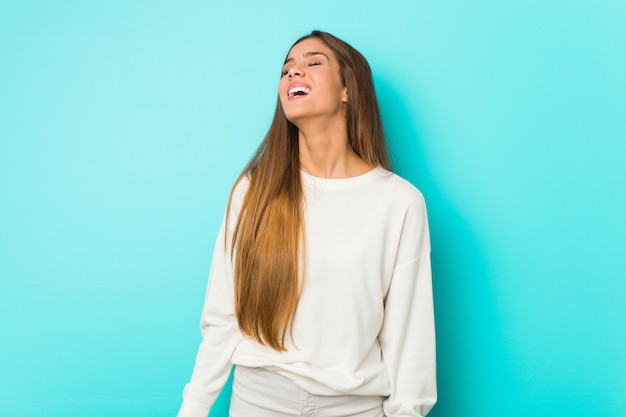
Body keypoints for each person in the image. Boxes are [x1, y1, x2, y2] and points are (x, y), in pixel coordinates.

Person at [177, 30, 436, 417]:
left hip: (354, 408)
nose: (294, 74)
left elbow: (409, 334)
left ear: (348, 89)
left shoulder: (399, 202)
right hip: (257, 401)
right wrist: (193, 408)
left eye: (313, 63)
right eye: (286, 70)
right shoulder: (254, 191)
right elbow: (223, 316)